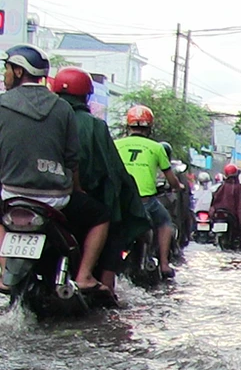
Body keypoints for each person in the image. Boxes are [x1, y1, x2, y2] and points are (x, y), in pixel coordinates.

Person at [0, 45, 111, 293]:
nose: (5, 74)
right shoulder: (62, 108)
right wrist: (77, 190)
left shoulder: (2, 104)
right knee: (101, 216)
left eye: (7, 68)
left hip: (10, 195)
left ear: (18, 71)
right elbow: (72, 159)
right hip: (55, 200)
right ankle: (83, 276)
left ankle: (3, 269)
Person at [50, 67, 149, 292]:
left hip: (31, 194)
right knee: (113, 220)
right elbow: (112, 172)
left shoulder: (46, 118)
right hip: (77, 198)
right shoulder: (94, 125)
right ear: (86, 95)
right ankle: (104, 284)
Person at [114, 104, 183, 279]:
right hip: (145, 200)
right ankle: (165, 264)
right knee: (166, 222)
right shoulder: (157, 148)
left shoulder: (116, 144)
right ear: (149, 127)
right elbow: (170, 177)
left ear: (128, 126)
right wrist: (177, 187)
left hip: (120, 200)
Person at [210, 163, 241, 248]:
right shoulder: (240, 188)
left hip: (221, 214)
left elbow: (214, 201)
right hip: (234, 217)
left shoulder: (222, 187)